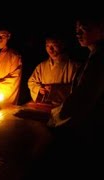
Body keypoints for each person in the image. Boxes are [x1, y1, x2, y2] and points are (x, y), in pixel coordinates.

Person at [42, 16, 104, 179]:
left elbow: (82, 98)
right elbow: (32, 82)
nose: (78, 34)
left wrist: (54, 116)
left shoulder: (96, 61)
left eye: (83, 29)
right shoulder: (92, 58)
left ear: (101, 30)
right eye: (76, 30)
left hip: (84, 126)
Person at [27, 34, 80, 106]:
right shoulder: (42, 66)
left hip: (63, 107)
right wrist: (39, 89)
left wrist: (55, 90)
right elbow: (31, 82)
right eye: (47, 46)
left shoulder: (74, 66)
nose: (50, 49)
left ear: (62, 45)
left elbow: (78, 89)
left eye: (54, 45)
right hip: (44, 105)